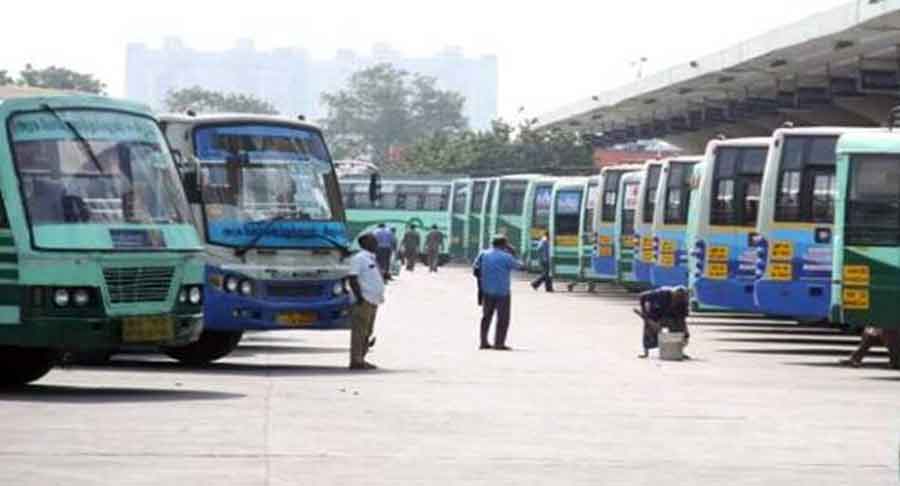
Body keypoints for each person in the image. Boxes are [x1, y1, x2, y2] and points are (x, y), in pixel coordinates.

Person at [473, 235, 525, 351]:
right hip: (503, 292)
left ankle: (483, 342)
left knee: (486, 317)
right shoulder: (507, 257)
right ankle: (499, 343)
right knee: (503, 318)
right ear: (504, 245)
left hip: (487, 290)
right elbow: (521, 267)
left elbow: (475, 268)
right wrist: (513, 253)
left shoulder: (483, 254)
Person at [347, 233, 386, 370]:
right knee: (359, 331)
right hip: (364, 300)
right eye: (373, 241)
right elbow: (352, 278)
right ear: (365, 243)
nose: (376, 243)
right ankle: (356, 360)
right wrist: (359, 298)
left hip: (373, 300)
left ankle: (361, 358)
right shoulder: (359, 258)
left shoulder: (370, 258)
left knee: (367, 331)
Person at [634, 286, 690, 359]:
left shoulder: (683, 302)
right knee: (649, 329)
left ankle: (678, 351)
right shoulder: (661, 293)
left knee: (680, 330)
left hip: (671, 316)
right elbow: (642, 296)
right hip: (656, 314)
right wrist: (645, 313)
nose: (678, 299)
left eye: (681, 298)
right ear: (673, 294)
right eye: (677, 297)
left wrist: (685, 332)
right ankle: (646, 353)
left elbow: (682, 319)